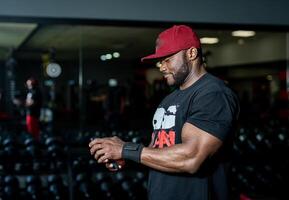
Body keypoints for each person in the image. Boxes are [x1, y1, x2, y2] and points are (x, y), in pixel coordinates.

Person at [89, 25, 240, 200]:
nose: (161, 67)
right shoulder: (169, 100)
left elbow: (192, 157)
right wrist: (124, 157)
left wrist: (126, 149)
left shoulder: (213, 94)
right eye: (160, 61)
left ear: (191, 54)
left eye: (167, 59)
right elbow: (156, 151)